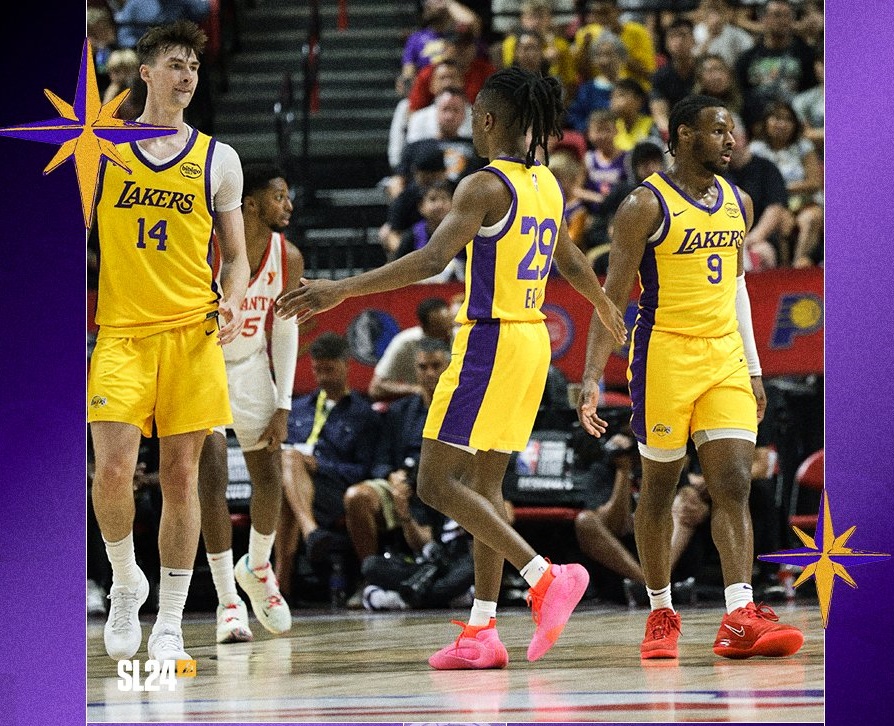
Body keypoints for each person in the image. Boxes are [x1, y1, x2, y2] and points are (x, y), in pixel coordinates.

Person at [275, 67, 627, 669]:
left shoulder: (482, 187)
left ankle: (544, 576)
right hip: (531, 341)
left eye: (473, 116)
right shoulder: (543, 181)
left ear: (487, 121)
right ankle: (483, 631)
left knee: (437, 482)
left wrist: (343, 288)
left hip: (490, 341)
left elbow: (431, 259)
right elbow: (569, 259)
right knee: (485, 491)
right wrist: (603, 303)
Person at [576, 94, 804, 661]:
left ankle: (739, 613)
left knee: (732, 483)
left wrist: (752, 368)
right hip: (663, 358)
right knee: (658, 490)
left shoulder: (741, 201)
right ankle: (660, 610)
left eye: (733, 131)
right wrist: (588, 378)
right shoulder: (642, 207)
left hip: (724, 356)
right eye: (719, 131)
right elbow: (612, 297)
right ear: (682, 136)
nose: (731, 141)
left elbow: (737, 288)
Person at [88, 20, 250, 663]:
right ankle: (127, 581)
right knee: (112, 474)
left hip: (191, 334)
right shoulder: (101, 150)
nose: (186, 76)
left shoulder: (219, 158)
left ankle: (172, 622)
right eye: (174, 65)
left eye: (193, 67)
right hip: (123, 333)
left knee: (183, 478)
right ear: (146, 74)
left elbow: (235, 257)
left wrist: (235, 298)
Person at [197, 164, 303, 644]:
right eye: (280, 197)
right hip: (205, 370)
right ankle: (226, 604)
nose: (289, 205)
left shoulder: (289, 256)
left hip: (253, 369)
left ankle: (258, 568)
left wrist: (283, 401)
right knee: (212, 481)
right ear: (252, 205)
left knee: (269, 478)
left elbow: (285, 327)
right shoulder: (207, 249)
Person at [274, 333, 381, 599]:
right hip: (296, 484)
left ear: (346, 366)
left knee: (288, 474)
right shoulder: (297, 408)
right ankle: (310, 535)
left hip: (334, 489)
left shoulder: (364, 414)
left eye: (329, 369)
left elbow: (363, 470)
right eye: (317, 369)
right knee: (286, 469)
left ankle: (280, 585)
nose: (322, 377)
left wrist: (320, 465)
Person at [345, 339, 453, 602]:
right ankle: (369, 578)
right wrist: (391, 476)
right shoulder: (399, 411)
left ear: (449, 368)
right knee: (356, 497)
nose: (429, 373)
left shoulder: (461, 409)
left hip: (446, 485)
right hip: (401, 483)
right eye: (423, 367)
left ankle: (449, 574)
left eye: (436, 366)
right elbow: (381, 459)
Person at [368, 297, 455, 402]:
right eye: (438, 329)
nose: (445, 334)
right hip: (420, 405)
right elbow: (376, 387)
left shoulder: (463, 337)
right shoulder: (404, 342)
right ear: (424, 327)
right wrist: (417, 390)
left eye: (449, 327)